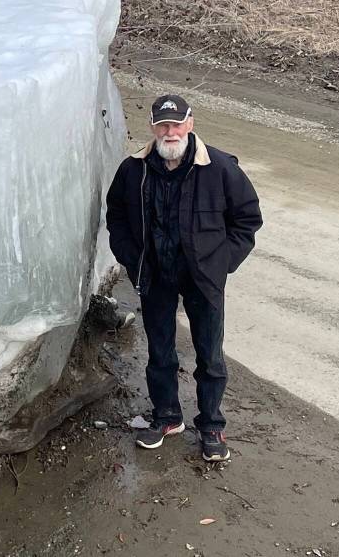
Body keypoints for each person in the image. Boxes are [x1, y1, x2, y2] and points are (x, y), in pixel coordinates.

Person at [105, 94, 262, 462]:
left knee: (210, 356)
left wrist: (221, 263)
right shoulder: (134, 169)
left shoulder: (219, 167)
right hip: (156, 275)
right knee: (160, 352)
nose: (169, 131)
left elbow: (247, 220)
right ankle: (167, 417)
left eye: (176, 124)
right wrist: (132, 258)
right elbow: (116, 216)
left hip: (203, 278)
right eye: (162, 124)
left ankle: (210, 425)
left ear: (190, 124)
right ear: (153, 127)